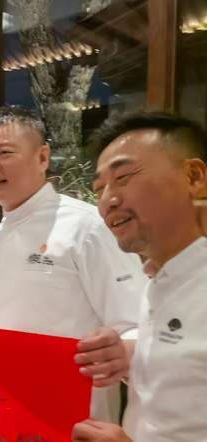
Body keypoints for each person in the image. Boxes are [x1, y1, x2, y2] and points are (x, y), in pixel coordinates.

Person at [0, 106, 145, 423]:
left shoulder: (87, 226)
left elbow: (136, 323)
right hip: (1, 409)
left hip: (72, 416)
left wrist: (122, 352)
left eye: (4, 153)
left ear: (43, 157)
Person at [72, 112, 207, 441]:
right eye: (99, 189)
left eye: (123, 177)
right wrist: (129, 355)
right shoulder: (159, 281)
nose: (107, 201)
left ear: (194, 177)